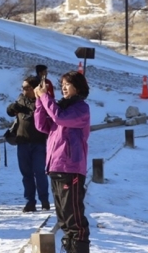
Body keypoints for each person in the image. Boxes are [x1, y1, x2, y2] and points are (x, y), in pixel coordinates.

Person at [34, 71, 91, 253]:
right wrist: (40, 100)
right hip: (55, 167)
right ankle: (69, 249)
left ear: (78, 87)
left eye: (68, 84)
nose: (64, 88)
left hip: (71, 168)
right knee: (63, 219)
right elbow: (41, 125)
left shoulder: (80, 109)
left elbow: (59, 118)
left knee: (74, 218)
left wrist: (45, 97)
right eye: (62, 85)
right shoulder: (61, 107)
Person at [6, 76, 50, 212]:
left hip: (39, 143)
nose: (24, 90)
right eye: (23, 88)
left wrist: (27, 110)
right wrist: (11, 108)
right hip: (22, 142)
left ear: (35, 88)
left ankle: (44, 200)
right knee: (26, 174)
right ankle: (30, 201)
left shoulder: (42, 100)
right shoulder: (20, 99)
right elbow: (10, 112)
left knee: (40, 173)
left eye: (27, 88)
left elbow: (40, 114)